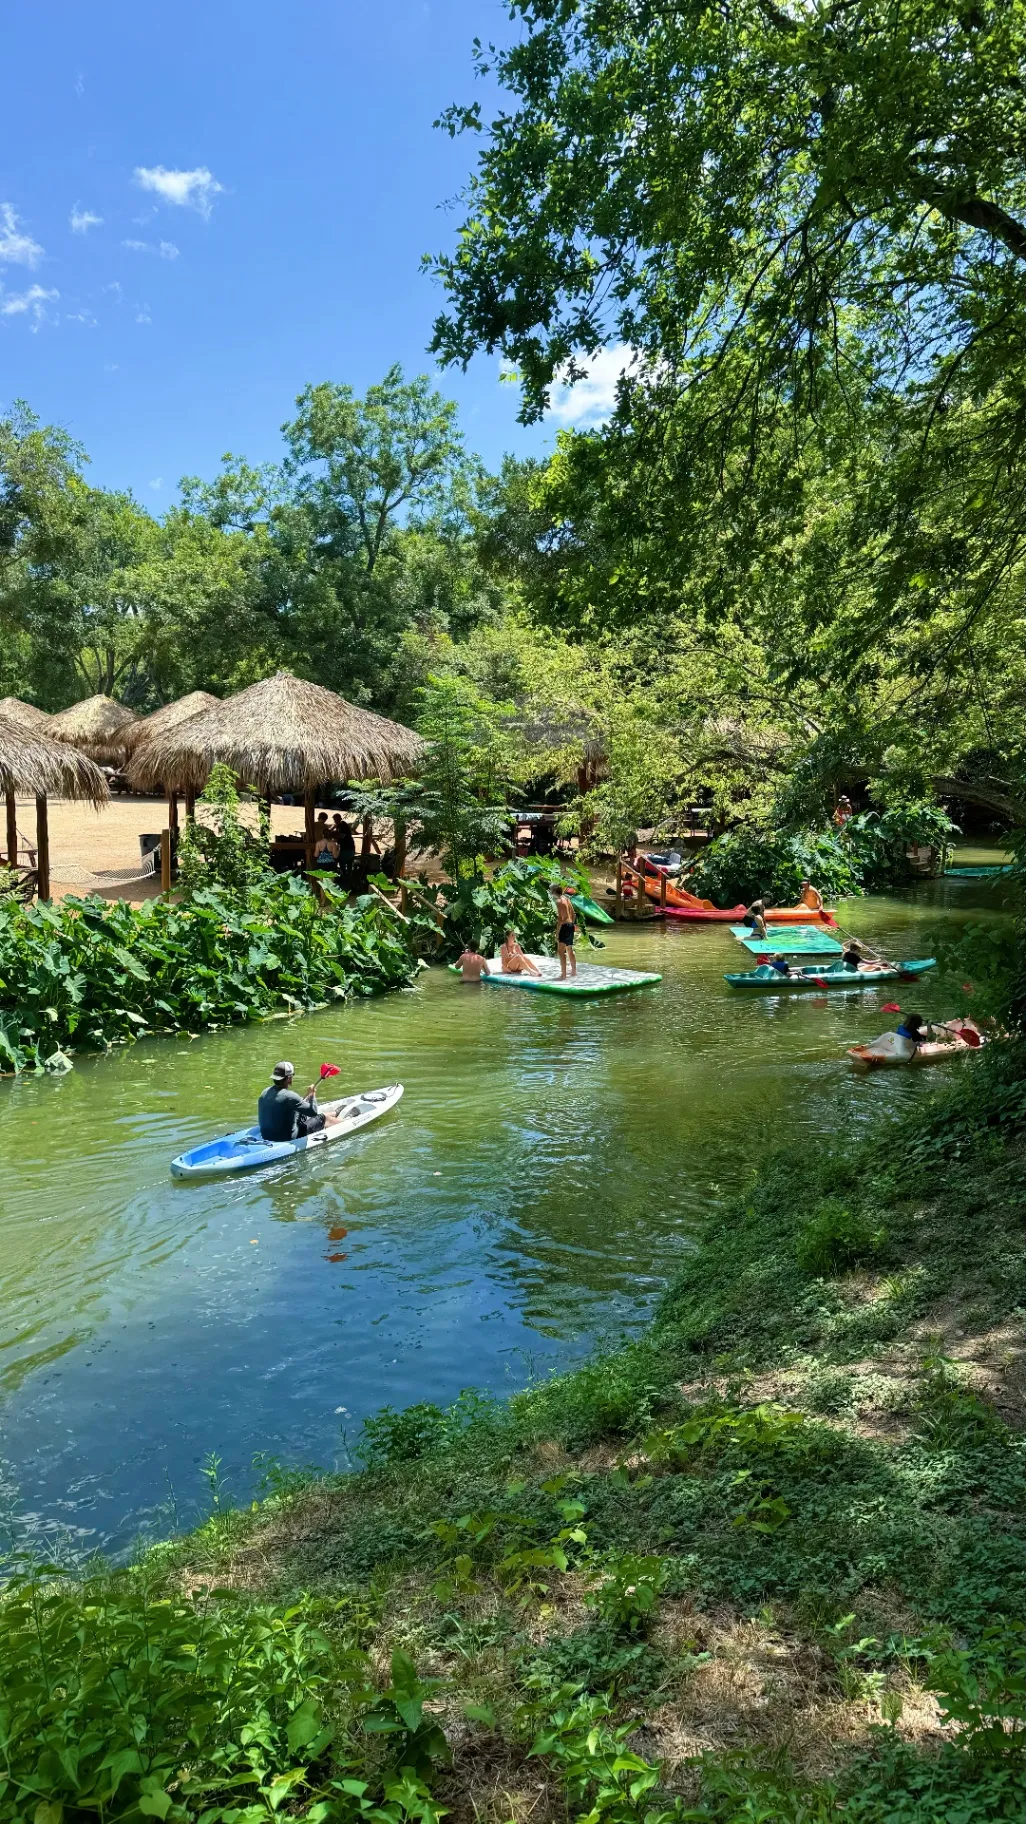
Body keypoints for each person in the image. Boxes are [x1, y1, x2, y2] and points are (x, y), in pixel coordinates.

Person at [257, 1061, 338, 1141]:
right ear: (288, 1078)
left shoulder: (264, 1092)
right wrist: (312, 1094)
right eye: (292, 1076)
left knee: (301, 1114)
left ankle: (334, 1113)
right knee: (323, 1117)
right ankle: (343, 1121)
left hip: (266, 1136)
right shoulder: (289, 1096)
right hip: (289, 1138)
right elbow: (313, 1112)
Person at [862, 1012, 931, 1061]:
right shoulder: (914, 1034)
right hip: (901, 1049)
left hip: (893, 1045)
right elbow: (927, 1040)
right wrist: (928, 1025)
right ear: (918, 1024)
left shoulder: (900, 1027)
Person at [554, 887, 578, 979]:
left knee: (561, 951)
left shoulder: (559, 901)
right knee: (569, 949)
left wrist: (557, 932)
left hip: (564, 926)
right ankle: (573, 971)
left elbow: (560, 919)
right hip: (571, 925)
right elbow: (574, 914)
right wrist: (571, 924)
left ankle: (563, 975)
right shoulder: (567, 899)